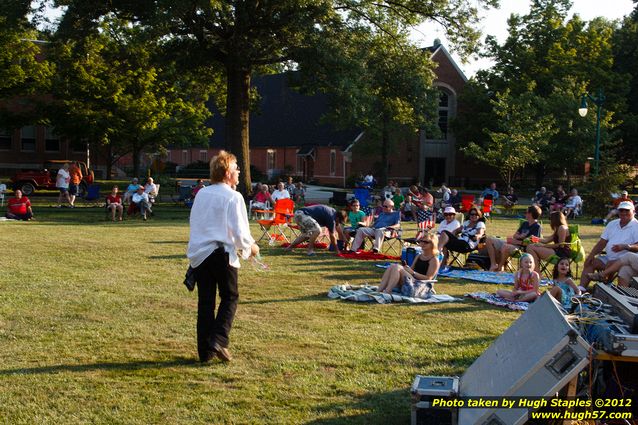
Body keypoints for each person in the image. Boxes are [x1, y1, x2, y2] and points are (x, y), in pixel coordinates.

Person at [187, 150, 259, 363]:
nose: (239, 173)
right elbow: (240, 232)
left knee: (206, 302)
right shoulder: (233, 196)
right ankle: (218, 339)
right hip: (221, 254)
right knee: (230, 297)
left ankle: (205, 352)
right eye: (236, 169)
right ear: (228, 172)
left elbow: (196, 223)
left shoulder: (202, 193)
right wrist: (251, 247)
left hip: (201, 255)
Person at [580, 201, 638, 289]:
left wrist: (625, 246)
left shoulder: (636, 226)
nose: (624, 212)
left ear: (633, 212)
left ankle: (605, 282)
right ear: (618, 212)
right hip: (608, 257)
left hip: (624, 260)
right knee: (590, 262)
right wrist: (591, 255)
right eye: (621, 210)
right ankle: (580, 290)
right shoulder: (612, 224)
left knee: (613, 264)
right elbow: (602, 243)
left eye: (627, 210)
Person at [486, 205, 542, 272]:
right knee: (489, 240)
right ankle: (493, 264)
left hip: (522, 248)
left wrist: (515, 241)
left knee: (505, 247)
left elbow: (533, 242)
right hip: (514, 244)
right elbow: (515, 235)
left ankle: (500, 267)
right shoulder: (525, 223)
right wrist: (520, 237)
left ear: (530, 214)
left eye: (526, 212)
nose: (525, 214)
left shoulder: (537, 226)